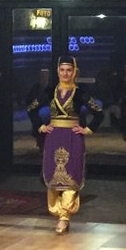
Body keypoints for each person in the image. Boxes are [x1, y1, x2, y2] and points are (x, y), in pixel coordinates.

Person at [40, 55, 103, 234]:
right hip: (54, 137)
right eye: (62, 70)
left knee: (70, 175)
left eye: (69, 70)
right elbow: (31, 108)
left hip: (72, 138)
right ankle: (56, 211)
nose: (65, 74)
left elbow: (99, 113)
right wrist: (41, 126)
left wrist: (87, 130)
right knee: (53, 174)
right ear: (57, 71)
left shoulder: (80, 93)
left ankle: (64, 216)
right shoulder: (50, 91)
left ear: (74, 72)